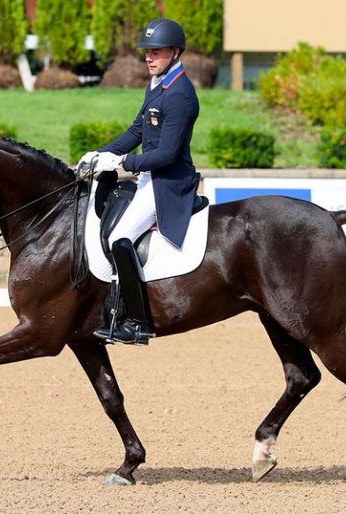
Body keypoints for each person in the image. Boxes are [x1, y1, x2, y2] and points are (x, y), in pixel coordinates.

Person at [79, 18, 201, 346]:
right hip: (149, 176)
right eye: (147, 52)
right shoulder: (157, 84)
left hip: (167, 182)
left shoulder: (180, 95)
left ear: (175, 52)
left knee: (120, 237)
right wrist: (98, 154)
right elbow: (137, 130)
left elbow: (166, 154)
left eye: (156, 52)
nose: (149, 57)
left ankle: (136, 322)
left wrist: (121, 162)